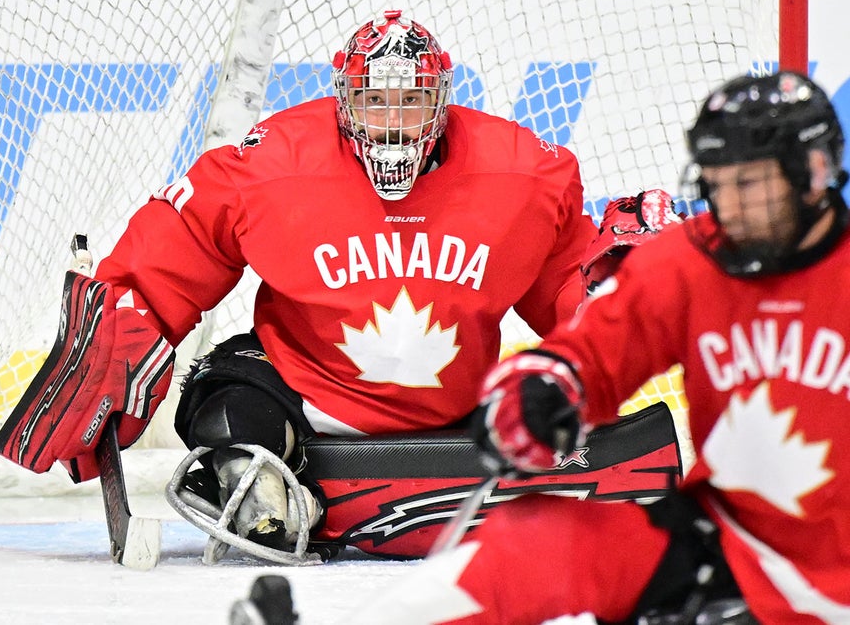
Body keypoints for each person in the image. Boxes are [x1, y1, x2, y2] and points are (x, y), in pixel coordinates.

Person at [0, 10, 599, 559]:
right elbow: (184, 240)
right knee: (219, 397)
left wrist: (619, 291)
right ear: (342, 101)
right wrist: (124, 312)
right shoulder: (275, 165)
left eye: (410, 102)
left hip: (457, 411)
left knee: (544, 390)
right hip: (308, 399)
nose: (391, 123)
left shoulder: (522, 172)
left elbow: (570, 287)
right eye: (372, 101)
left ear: (442, 102)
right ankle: (263, 486)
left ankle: (264, 484)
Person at [336, 70, 850, 624]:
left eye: (747, 184)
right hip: (724, 544)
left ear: (813, 172)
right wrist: (541, 389)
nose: (728, 207)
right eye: (716, 185)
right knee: (533, 537)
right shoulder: (690, 263)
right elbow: (593, 354)